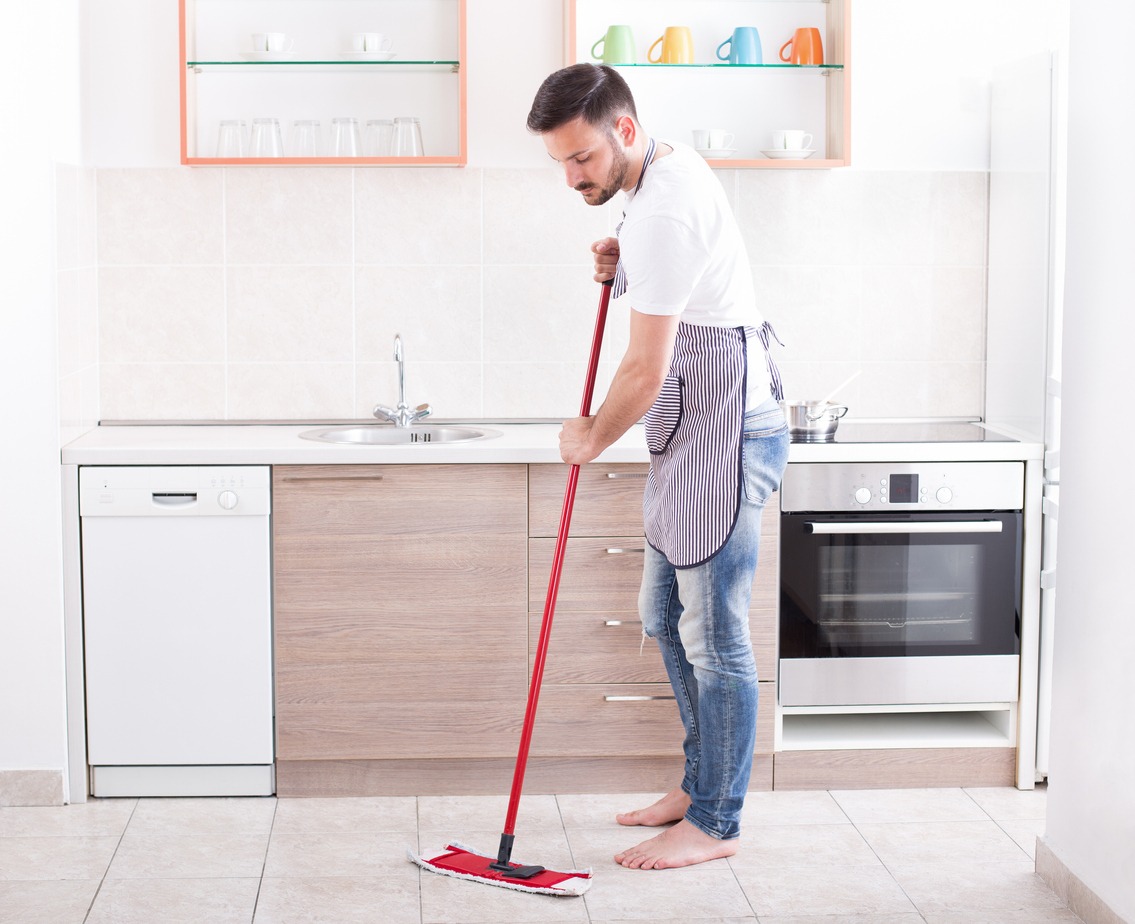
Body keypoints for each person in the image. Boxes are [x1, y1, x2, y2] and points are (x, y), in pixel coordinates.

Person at [526, 63, 790, 871]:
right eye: (561, 163)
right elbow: (680, 286)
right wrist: (622, 261)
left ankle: (716, 820)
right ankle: (697, 780)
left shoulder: (661, 211)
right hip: (693, 429)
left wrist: (589, 439)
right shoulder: (653, 180)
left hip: (726, 433)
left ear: (626, 132)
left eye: (582, 160)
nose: (573, 177)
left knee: (716, 639)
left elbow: (642, 371)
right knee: (660, 616)